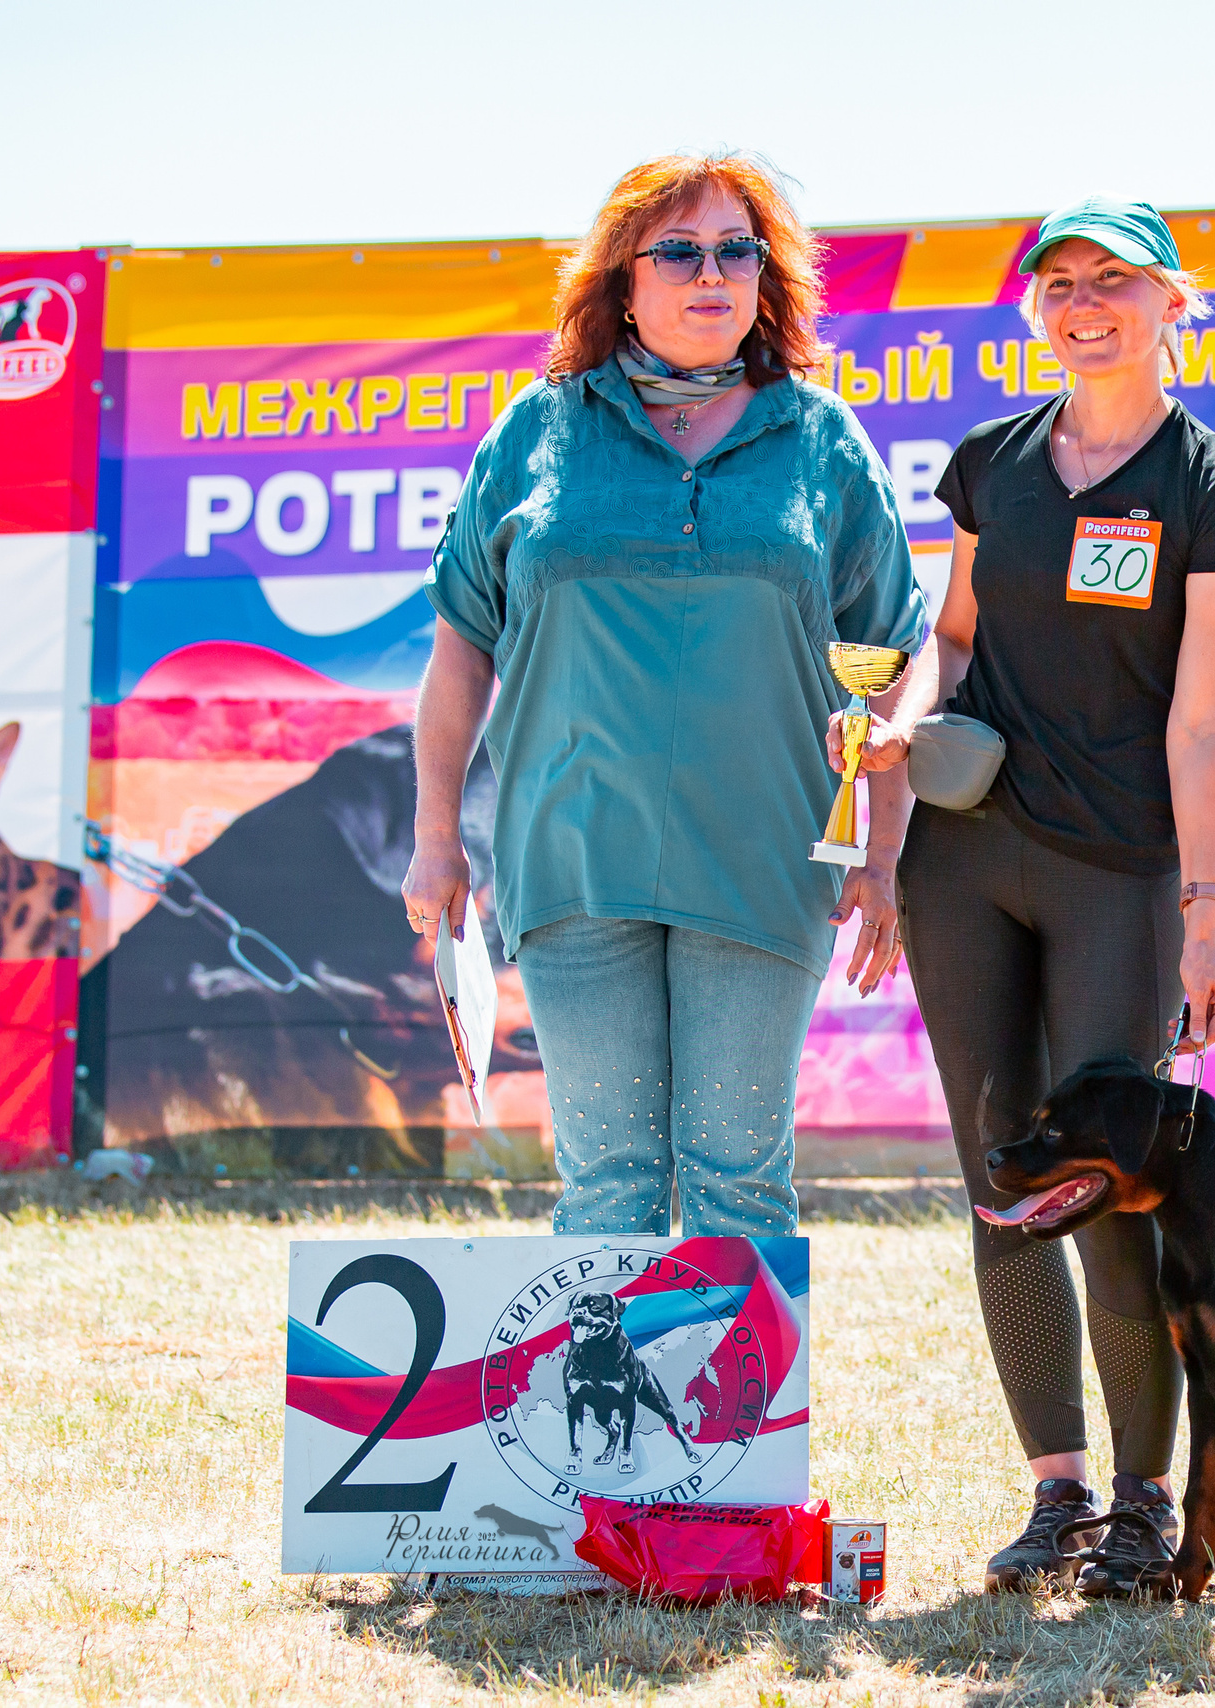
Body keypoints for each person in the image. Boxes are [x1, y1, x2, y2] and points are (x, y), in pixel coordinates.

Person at [853, 196, 1215, 1594]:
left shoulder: (1209, 490)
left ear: (1173, 304)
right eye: (1061, 281)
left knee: (1109, 1185)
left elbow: (1203, 722)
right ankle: (1059, 1495)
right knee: (1000, 1179)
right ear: (1034, 306)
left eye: (1117, 280)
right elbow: (953, 640)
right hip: (970, 864)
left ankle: (1151, 1504)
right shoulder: (992, 464)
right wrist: (895, 728)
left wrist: (1202, 915)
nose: (1084, 302)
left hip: (1122, 878)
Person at [403, 153, 927, 1238]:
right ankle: (607, 1414)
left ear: (766, 277)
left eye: (737, 250)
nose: (711, 273)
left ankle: (733, 1414)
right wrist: (435, 839)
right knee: (607, 1184)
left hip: (767, 861)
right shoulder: (536, 433)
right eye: (679, 250)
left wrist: (884, 859)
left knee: (739, 1178)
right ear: (622, 280)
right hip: (572, 856)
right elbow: (459, 653)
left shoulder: (821, 442)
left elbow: (897, 661)